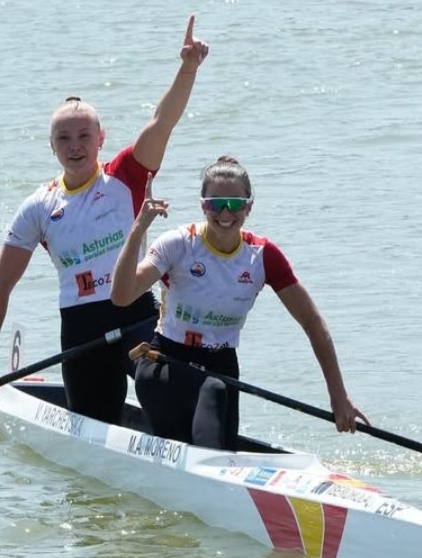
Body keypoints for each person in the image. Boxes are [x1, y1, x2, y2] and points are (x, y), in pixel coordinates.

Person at [0, 16, 210, 425]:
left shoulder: (126, 176)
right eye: (64, 139)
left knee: (160, 384)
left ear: (101, 138)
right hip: (81, 331)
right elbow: (0, 284)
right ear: (52, 147)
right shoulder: (38, 207)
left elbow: (163, 121)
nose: (75, 146)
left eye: (84, 136)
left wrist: (187, 68)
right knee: (93, 417)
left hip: (136, 315)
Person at [109, 156, 369, 449]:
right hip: (166, 365)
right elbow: (122, 296)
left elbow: (313, 323)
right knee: (213, 396)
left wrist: (338, 395)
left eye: (234, 204)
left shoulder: (262, 255)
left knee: (216, 402)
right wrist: (138, 230)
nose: (225, 213)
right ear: (202, 205)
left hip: (222, 366)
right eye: (215, 204)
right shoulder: (178, 244)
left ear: (249, 206)